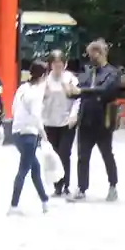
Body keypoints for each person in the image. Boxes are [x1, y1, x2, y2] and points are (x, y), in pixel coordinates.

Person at [67, 38, 125, 202]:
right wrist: (72, 91)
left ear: (100, 53)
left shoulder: (112, 73)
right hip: (86, 118)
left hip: (103, 120)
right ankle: (81, 188)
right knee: (82, 156)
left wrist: (81, 91)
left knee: (107, 154)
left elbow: (104, 90)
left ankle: (113, 185)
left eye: (92, 54)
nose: (90, 57)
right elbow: (79, 88)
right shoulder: (87, 71)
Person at [7, 59, 51, 215]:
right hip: (29, 133)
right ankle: (14, 205)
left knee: (34, 167)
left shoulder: (22, 88)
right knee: (24, 169)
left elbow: (13, 109)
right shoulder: (36, 93)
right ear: (43, 75)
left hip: (17, 131)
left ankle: (45, 201)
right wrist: (43, 134)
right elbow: (36, 116)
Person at [40, 49, 79, 198]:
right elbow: (39, 100)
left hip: (67, 122)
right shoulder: (45, 80)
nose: (57, 66)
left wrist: (74, 115)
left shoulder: (70, 79)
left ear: (65, 64)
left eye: (60, 63)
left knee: (64, 153)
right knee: (54, 155)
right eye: (54, 63)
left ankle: (66, 185)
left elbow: (77, 99)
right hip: (50, 122)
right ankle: (57, 186)